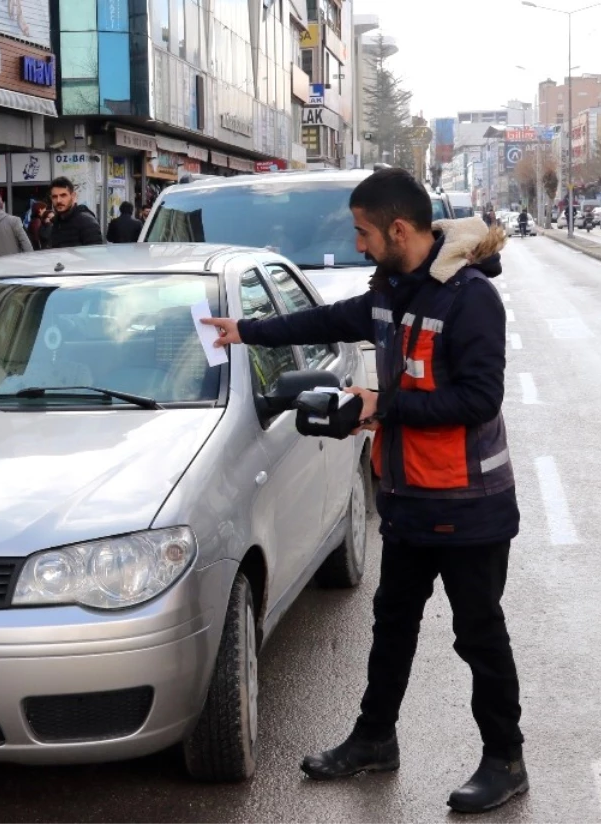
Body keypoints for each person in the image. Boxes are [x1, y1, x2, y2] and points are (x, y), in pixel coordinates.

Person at [201, 168, 526, 815]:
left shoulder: (469, 299)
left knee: (478, 635)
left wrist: (384, 403)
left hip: (469, 506)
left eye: (362, 232)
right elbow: (328, 318)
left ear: (398, 229)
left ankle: (504, 759)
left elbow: (479, 399)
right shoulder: (389, 290)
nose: (357, 244)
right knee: (392, 626)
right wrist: (247, 332)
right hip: (407, 499)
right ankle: (375, 739)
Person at [49, 177, 104, 248]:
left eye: (63, 195)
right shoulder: (56, 222)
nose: (58, 200)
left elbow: (96, 254)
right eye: (54, 197)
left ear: (73, 196)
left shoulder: (86, 221)